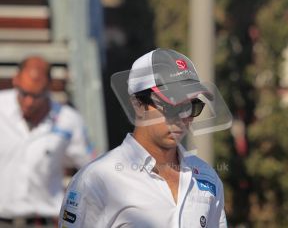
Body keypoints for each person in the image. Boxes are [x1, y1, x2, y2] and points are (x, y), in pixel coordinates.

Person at [59, 48, 228, 228]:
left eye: (192, 106)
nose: (182, 118)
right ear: (138, 104)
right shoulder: (96, 179)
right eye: (171, 106)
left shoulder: (207, 177)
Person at [0, 56, 97, 228]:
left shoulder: (69, 120)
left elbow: (93, 171)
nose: (29, 102)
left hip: (43, 221)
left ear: (50, 88)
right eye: (24, 93)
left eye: (37, 95)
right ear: (15, 80)